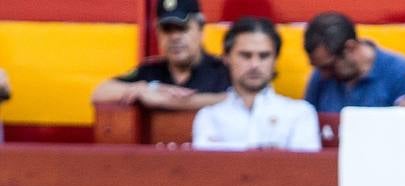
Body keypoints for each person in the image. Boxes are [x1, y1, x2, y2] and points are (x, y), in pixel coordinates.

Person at [193, 17, 320, 152]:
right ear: (226, 58)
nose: (255, 65)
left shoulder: (300, 113)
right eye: (246, 55)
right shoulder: (210, 116)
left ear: (275, 60)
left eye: (264, 56)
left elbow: (305, 171)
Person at [90, 0, 229, 111]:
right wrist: (147, 88)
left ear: (201, 29)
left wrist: (164, 101)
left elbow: (238, 100)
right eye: (167, 29)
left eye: (182, 28)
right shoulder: (150, 71)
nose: (174, 37)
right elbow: (99, 92)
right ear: (158, 33)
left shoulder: (223, 71)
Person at [303, 11, 405, 113]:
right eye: (319, 68)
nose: (324, 74)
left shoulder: (401, 75)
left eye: (329, 66)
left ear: (350, 48)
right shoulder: (320, 76)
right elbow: (307, 124)